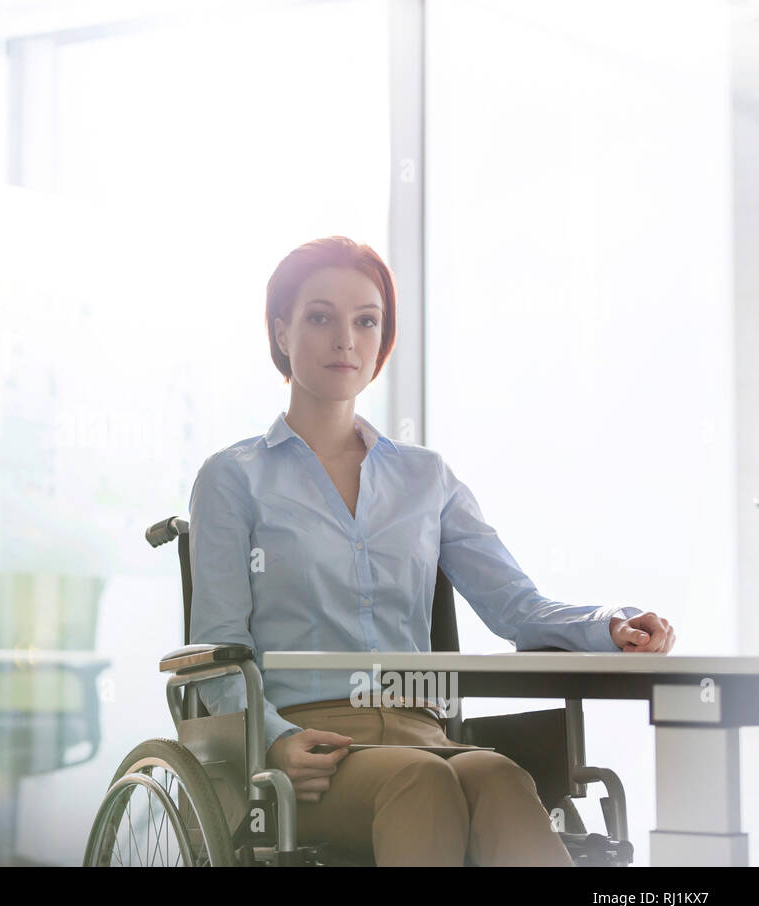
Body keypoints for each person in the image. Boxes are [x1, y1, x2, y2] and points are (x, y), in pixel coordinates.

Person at [187, 236, 676, 866]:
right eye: (319, 317)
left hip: (425, 733)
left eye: (366, 321)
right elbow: (221, 649)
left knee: (499, 776)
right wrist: (275, 742)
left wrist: (610, 625)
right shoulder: (233, 477)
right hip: (306, 749)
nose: (346, 339)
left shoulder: (426, 479)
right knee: (423, 783)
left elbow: (516, 607)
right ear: (281, 332)